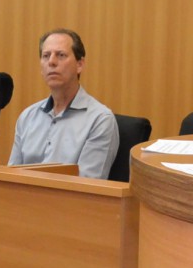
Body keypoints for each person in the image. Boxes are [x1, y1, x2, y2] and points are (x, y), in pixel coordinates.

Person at [8, 29, 118, 179]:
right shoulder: (27, 117)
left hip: (70, 201)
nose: (52, 62)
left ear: (80, 64)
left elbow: (89, 188)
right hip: (23, 200)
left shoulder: (100, 120)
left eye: (61, 55)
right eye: (46, 56)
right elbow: (11, 178)